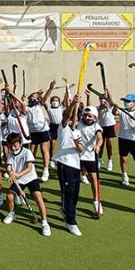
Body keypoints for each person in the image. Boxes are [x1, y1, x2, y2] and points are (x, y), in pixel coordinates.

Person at [3, 133, 51, 236]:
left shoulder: (27, 152)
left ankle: (44, 223)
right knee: (9, 196)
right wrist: (10, 172)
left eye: (15, 145)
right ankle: (11, 214)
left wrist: (16, 174)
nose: (13, 147)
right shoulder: (10, 154)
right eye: (10, 146)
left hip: (31, 178)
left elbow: (29, 168)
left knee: (38, 197)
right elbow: (8, 168)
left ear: (20, 143)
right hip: (19, 180)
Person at [52, 91, 85, 237]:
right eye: (71, 120)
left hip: (75, 166)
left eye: (75, 120)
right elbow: (66, 116)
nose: (73, 122)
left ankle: (66, 210)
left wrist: (79, 147)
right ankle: (71, 221)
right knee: (68, 192)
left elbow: (81, 148)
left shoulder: (77, 132)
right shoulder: (63, 127)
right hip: (64, 164)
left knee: (75, 193)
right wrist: (73, 103)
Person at [113, 93, 135, 187]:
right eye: (125, 101)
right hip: (123, 138)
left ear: (134, 103)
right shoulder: (122, 111)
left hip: (134, 140)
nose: (126, 103)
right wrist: (115, 107)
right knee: (123, 158)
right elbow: (114, 113)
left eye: (128, 101)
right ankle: (124, 176)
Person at [77, 105, 104, 218]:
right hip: (77, 155)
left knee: (93, 179)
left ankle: (96, 202)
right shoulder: (79, 123)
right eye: (86, 115)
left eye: (90, 116)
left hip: (89, 156)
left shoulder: (96, 127)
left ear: (95, 118)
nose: (87, 118)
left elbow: (100, 138)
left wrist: (97, 146)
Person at [96, 92, 118, 172]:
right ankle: (99, 159)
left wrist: (107, 89)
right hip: (101, 127)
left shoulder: (110, 106)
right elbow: (96, 117)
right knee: (100, 144)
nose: (102, 101)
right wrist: (101, 108)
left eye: (104, 99)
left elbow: (111, 99)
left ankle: (110, 161)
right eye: (101, 99)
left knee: (109, 144)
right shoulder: (98, 108)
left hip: (110, 126)